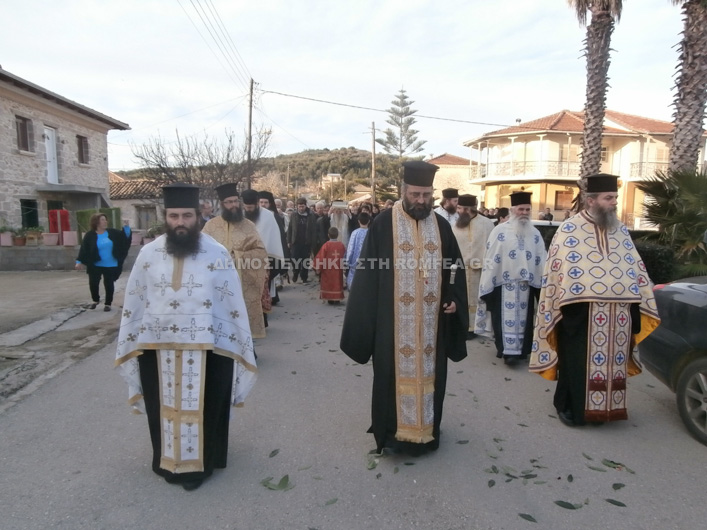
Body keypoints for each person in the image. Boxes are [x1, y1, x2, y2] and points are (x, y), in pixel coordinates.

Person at [115, 183, 257, 491]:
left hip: (208, 349)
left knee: (208, 406)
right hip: (157, 347)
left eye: (187, 215)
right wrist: (132, 340)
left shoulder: (216, 253)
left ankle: (203, 463)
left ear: (198, 215)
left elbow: (230, 302)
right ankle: (166, 460)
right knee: (160, 406)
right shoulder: (149, 254)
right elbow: (135, 301)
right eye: (174, 215)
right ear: (166, 217)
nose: (180, 222)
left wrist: (236, 341)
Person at [340, 161, 468, 456]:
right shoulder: (384, 223)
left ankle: (428, 432)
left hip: (431, 326)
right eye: (415, 194)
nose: (421, 201)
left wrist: (453, 299)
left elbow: (453, 268)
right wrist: (367, 321)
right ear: (404, 191)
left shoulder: (441, 225)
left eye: (426, 195)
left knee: (433, 377)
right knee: (389, 376)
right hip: (392, 323)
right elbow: (368, 275)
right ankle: (391, 435)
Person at [530, 174, 660, 427]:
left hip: (619, 314)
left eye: (615, 198)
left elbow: (634, 267)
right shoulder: (569, 230)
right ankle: (570, 407)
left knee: (614, 364)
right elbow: (558, 271)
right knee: (577, 364)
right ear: (591, 201)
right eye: (608, 198)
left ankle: (605, 410)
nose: (614, 203)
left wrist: (639, 296)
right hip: (580, 314)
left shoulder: (620, 229)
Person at [475, 192, 547, 364]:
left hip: (526, 286)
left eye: (527, 209)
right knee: (502, 320)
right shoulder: (499, 231)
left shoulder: (535, 233)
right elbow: (491, 257)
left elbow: (541, 258)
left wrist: (544, 280)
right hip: (503, 284)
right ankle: (506, 352)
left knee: (526, 321)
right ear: (512, 210)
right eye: (520, 209)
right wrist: (488, 280)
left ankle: (521, 352)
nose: (524, 212)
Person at [202, 183, 269, 339]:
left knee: (241, 323)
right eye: (229, 202)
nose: (233, 205)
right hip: (216, 283)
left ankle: (246, 352)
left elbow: (260, 253)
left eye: (235, 201)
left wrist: (237, 257)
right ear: (222, 205)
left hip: (241, 282)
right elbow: (201, 251)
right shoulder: (210, 226)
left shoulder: (249, 226)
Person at [451, 194, 495, 340]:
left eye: (464, 209)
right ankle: (462, 326)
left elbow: (492, 247)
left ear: (472, 209)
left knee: (477, 299)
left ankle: (476, 326)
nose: (460, 212)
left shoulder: (487, 224)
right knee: (461, 298)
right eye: (459, 208)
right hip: (460, 269)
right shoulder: (455, 225)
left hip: (480, 270)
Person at [241, 189, 285, 324]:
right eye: (246, 207)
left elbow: (272, 239)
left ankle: (261, 320)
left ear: (256, 204)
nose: (248, 210)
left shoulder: (268, 216)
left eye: (251, 207)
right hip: (241, 260)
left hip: (262, 261)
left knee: (260, 291)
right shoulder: (238, 215)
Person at [75, 213, 131, 312]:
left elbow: (124, 238)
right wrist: (79, 261)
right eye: (102, 220)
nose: (105, 222)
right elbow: (84, 248)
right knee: (93, 283)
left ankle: (108, 304)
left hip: (110, 263)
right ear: (96, 222)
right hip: (95, 263)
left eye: (105, 220)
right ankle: (95, 300)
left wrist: (126, 227)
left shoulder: (112, 232)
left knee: (109, 284)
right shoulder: (90, 235)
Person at [287, 198, 317, 283]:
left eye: (302, 206)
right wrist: (289, 241)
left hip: (306, 242)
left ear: (305, 205)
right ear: (297, 206)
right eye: (299, 206)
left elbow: (313, 230)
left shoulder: (311, 215)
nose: (301, 208)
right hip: (295, 242)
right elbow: (290, 228)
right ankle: (295, 272)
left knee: (305, 260)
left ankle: (304, 277)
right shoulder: (294, 215)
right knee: (294, 259)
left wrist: (313, 244)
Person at [313, 226, 346, 304]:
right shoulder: (341, 245)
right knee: (337, 282)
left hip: (328, 269)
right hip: (338, 268)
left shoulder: (326, 245)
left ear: (328, 235)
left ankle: (330, 299)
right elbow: (345, 256)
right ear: (338, 235)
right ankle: (337, 298)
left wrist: (317, 268)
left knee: (329, 283)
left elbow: (320, 258)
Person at [344, 211, 370, 289]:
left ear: (358, 221)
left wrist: (347, 261)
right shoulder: (371, 232)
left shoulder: (355, 233)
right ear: (369, 221)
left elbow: (350, 248)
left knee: (354, 281)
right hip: (369, 261)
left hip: (356, 262)